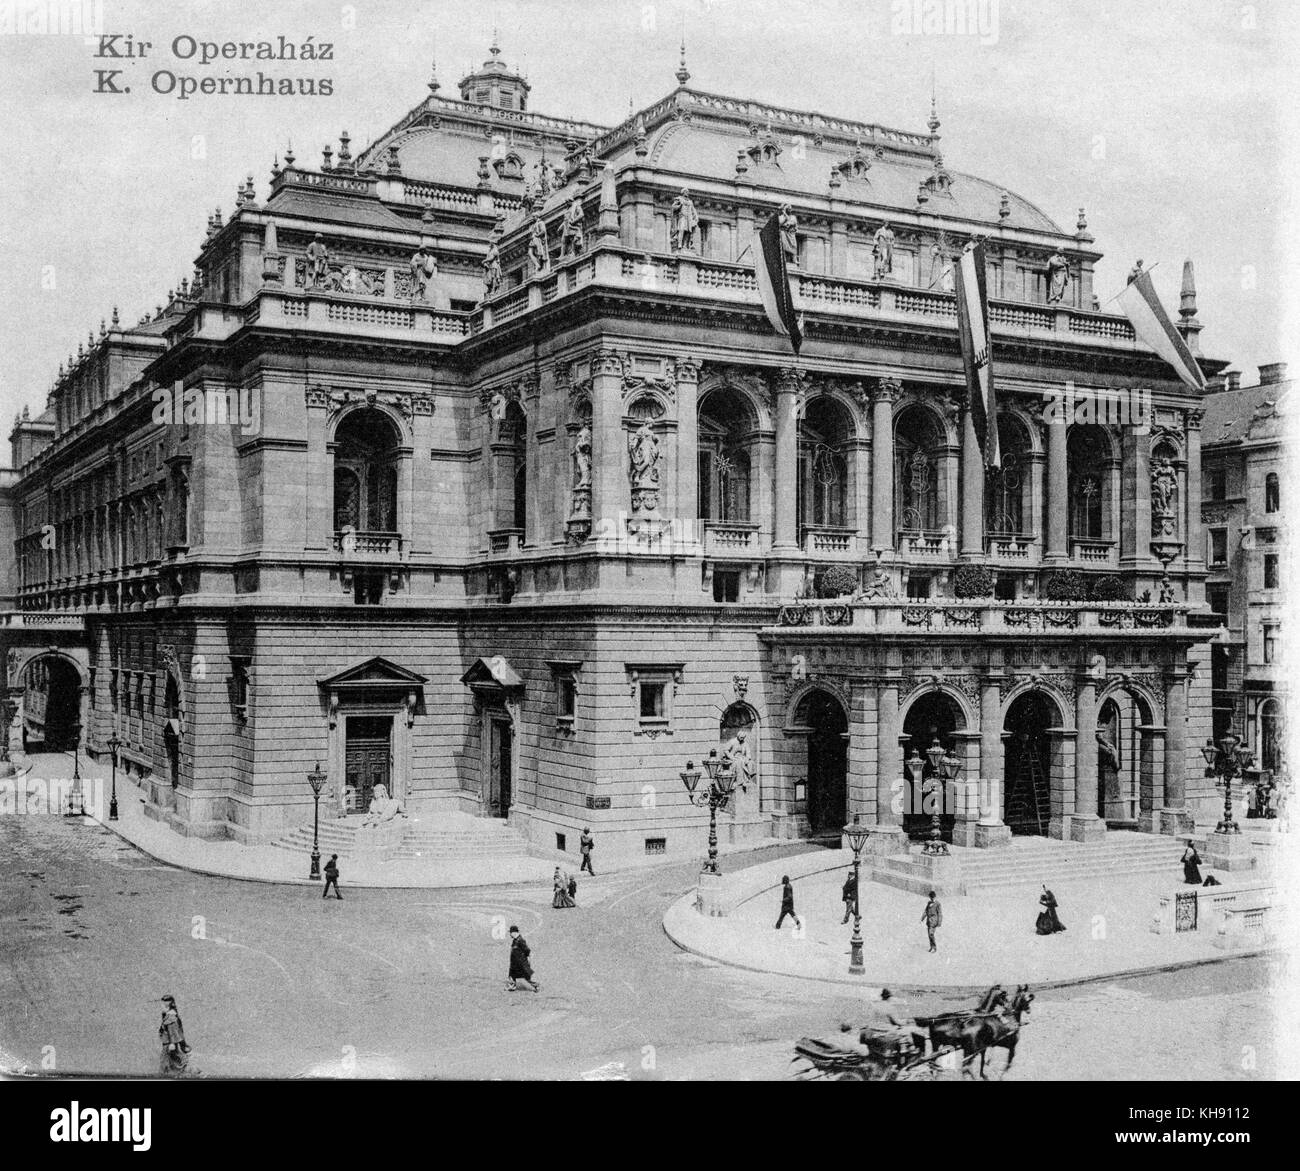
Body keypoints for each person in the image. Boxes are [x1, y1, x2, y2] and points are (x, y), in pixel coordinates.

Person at [158, 995, 191, 1076]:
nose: (161, 1006)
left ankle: (165, 1075)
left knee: (165, 1062)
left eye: (162, 1005)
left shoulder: (171, 1017)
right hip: (168, 1043)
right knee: (174, 1061)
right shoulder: (170, 1015)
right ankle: (185, 1071)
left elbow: (172, 1031)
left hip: (168, 1044)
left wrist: (172, 1043)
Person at [507, 926, 539, 993]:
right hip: (515, 963)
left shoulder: (520, 940)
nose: (510, 934)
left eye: (510, 932)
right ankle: (512, 986)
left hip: (520, 963)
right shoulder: (515, 940)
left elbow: (527, 950)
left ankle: (535, 986)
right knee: (512, 975)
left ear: (514, 932)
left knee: (525, 977)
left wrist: (526, 959)